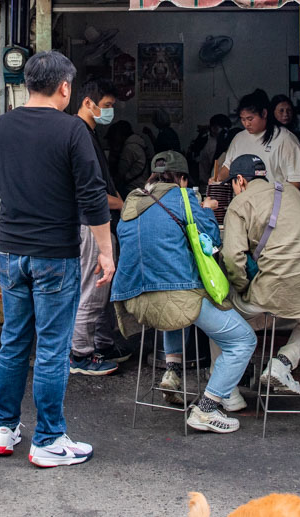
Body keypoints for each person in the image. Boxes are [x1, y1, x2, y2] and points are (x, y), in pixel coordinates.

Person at [0, 50, 113, 468]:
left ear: (27, 84)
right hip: (56, 255)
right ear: (64, 87)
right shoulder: (72, 131)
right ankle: (49, 439)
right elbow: (92, 195)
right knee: (52, 348)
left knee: (14, 342)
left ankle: (5, 428)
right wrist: (106, 251)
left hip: (12, 254)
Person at [112, 151, 256, 433]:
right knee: (242, 341)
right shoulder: (184, 197)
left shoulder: (131, 200)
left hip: (134, 298)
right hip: (174, 297)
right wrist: (205, 210)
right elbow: (211, 241)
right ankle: (207, 410)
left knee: (178, 306)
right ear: (183, 179)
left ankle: (173, 370)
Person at [216, 154, 300, 396]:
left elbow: (231, 257)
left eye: (233, 186)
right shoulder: (292, 193)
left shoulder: (240, 203)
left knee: (218, 315)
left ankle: (227, 392)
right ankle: (282, 363)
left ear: (240, 180)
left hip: (268, 297)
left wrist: (242, 287)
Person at [69, 78, 128, 376]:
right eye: (106, 107)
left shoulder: (89, 133)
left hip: (99, 221)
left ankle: (102, 344)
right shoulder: (78, 133)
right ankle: (80, 354)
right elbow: (88, 190)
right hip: (89, 224)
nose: (109, 112)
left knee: (103, 289)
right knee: (92, 289)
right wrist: (124, 203)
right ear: (87, 103)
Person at [215, 93, 300, 189]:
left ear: (264, 113)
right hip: (243, 200)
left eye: (250, 119)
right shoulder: (239, 138)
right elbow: (228, 167)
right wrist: (217, 179)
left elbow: (295, 181)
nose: (246, 124)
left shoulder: (285, 139)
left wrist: (276, 199)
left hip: (274, 201)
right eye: (243, 119)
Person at [109, 119, 152, 195]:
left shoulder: (130, 148)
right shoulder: (138, 144)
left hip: (132, 188)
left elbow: (121, 172)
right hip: (142, 185)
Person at [190, 113, 232, 184]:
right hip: (206, 180)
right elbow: (214, 164)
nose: (225, 133)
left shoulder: (212, 141)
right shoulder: (211, 143)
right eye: (223, 129)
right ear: (213, 128)